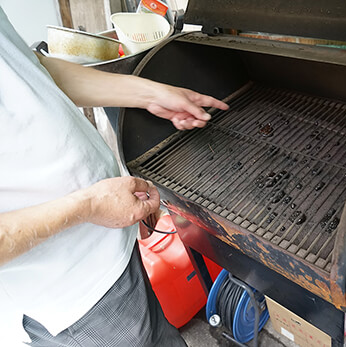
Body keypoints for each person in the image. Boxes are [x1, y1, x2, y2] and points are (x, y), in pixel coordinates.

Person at [0, 7, 228, 347]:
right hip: (75, 297)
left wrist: (149, 93)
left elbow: (28, 71)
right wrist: (89, 204)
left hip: (109, 252)